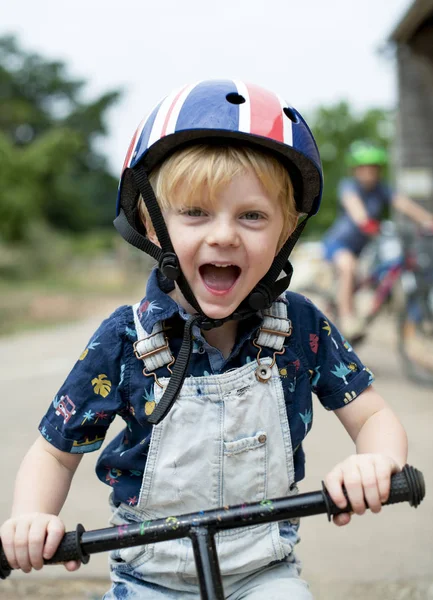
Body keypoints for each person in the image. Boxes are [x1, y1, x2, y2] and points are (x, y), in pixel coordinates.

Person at [0, 81, 408, 599]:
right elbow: (55, 453)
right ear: (150, 224)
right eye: (195, 212)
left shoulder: (300, 327)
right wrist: (32, 517)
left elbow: (373, 416)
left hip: (263, 574)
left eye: (252, 215)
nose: (223, 235)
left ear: (287, 231)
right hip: (148, 578)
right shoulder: (125, 340)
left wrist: (374, 460)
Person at [322, 140, 433, 341]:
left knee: (380, 268)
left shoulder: (382, 188)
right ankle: (348, 319)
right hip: (339, 243)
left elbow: (404, 204)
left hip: (364, 247)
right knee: (348, 267)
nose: (370, 173)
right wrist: (364, 220)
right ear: (356, 170)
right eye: (365, 168)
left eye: (374, 168)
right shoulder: (348, 186)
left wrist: (428, 220)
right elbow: (355, 208)